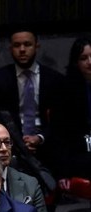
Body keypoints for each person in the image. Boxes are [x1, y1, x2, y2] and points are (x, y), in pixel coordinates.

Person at [0, 29, 64, 162]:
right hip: (10, 143)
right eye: (17, 45)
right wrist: (16, 141)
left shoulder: (54, 79)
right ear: (10, 48)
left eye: (27, 44)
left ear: (36, 46)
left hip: (48, 143)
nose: (22, 49)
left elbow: (63, 119)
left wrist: (40, 137)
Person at [50, 36, 91, 183]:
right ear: (76, 62)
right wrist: (63, 173)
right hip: (78, 155)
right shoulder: (65, 90)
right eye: (84, 58)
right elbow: (60, 135)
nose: (90, 62)